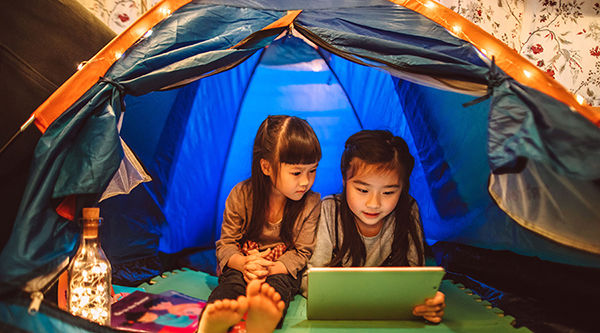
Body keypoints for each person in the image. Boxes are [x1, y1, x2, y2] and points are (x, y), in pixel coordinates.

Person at [302, 129, 446, 323]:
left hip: (392, 318)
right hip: (340, 315)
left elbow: (415, 279)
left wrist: (427, 303)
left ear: (402, 188)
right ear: (344, 180)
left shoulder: (408, 210)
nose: (373, 203)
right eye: (362, 190)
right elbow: (311, 279)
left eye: (388, 193)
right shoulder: (330, 209)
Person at [203, 115, 322, 332]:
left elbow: (302, 252)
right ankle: (213, 322)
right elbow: (226, 244)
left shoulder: (311, 203)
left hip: (280, 269)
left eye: (312, 170)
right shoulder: (241, 195)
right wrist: (245, 265)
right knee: (230, 287)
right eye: (296, 173)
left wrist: (270, 269)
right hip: (243, 265)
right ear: (266, 167)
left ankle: (263, 322)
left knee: (276, 292)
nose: (305, 181)